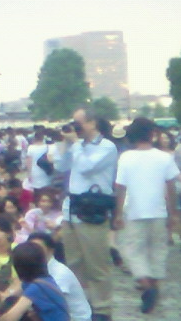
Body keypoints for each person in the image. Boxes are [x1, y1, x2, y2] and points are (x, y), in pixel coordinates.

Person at [113, 116, 181, 314]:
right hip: (159, 211)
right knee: (158, 251)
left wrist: (118, 214)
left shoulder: (126, 157)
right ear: (152, 134)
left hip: (134, 212)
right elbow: (171, 188)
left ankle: (146, 284)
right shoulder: (164, 157)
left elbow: (120, 188)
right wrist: (173, 213)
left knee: (133, 251)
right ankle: (155, 288)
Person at [59, 107, 117, 321]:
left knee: (97, 263)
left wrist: (75, 144)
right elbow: (60, 166)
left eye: (79, 123)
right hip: (71, 209)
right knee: (74, 262)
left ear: (92, 123)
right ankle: (82, 304)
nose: (75, 127)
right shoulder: (77, 146)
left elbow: (86, 167)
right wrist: (65, 144)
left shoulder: (106, 146)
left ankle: (102, 309)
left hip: (92, 210)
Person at [27, 233, 91, 321]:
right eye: (31, 248)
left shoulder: (60, 273)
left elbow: (51, 304)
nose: (34, 252)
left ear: (51, 250)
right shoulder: (37, 268)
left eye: (39, 248)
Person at [0, 242, 69, 321]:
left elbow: (9, 318)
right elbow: (13, 294)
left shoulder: (37, 288)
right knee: (11, 301)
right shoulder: (45, 280)